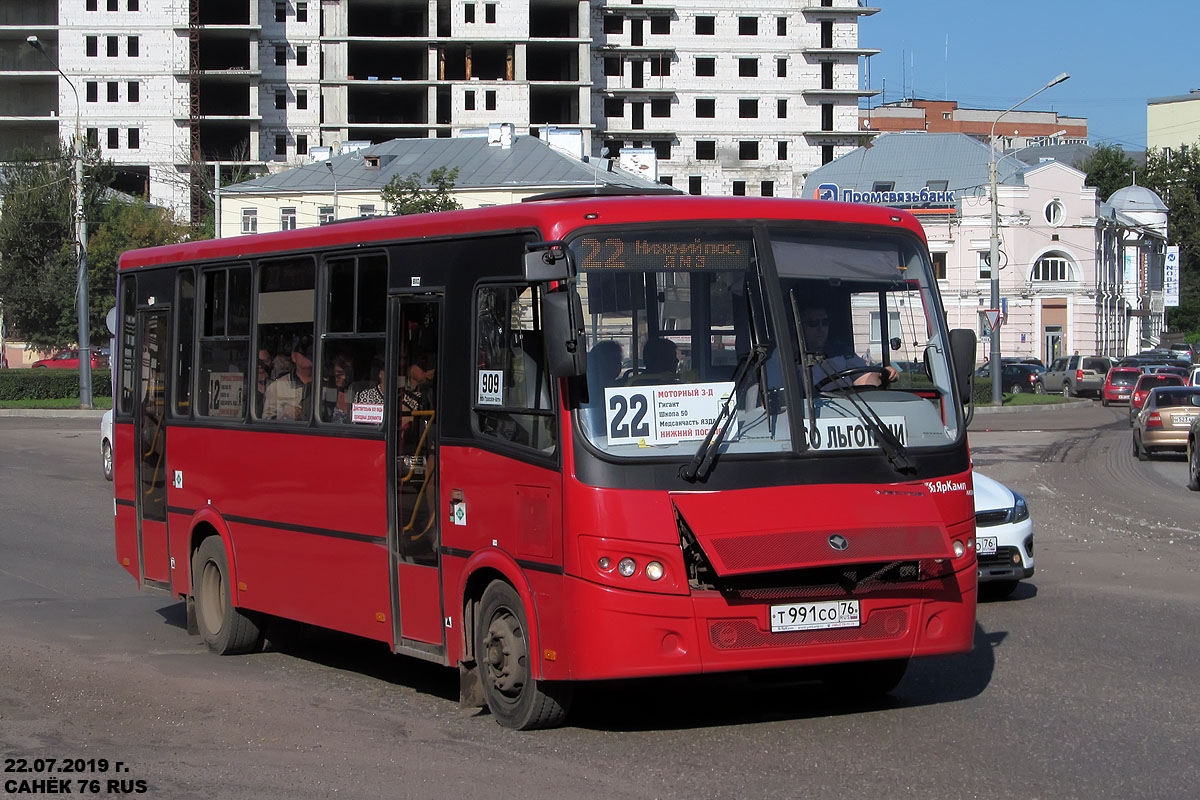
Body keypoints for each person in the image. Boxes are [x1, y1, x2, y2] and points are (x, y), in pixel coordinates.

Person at [798, 304, 898, 388]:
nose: (821, 329)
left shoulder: (840, 351)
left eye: (824, 323)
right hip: (812, 408)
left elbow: (864, 379)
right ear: (799, 326)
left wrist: (883, 375)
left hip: (848, 405)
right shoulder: (791, 356)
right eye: (813, 323)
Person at [262, 334, 315, 420]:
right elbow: (266, 421)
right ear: (294, 356)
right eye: (303, 352)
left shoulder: (325, 386)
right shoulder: (277, 386)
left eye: (312, 352)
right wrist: (284, 414)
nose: (308, 356)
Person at [321, 353, 354, 423]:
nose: (343, 377)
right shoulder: (324, 393)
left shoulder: (360, 394)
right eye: (338, 374)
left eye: (347, 373)